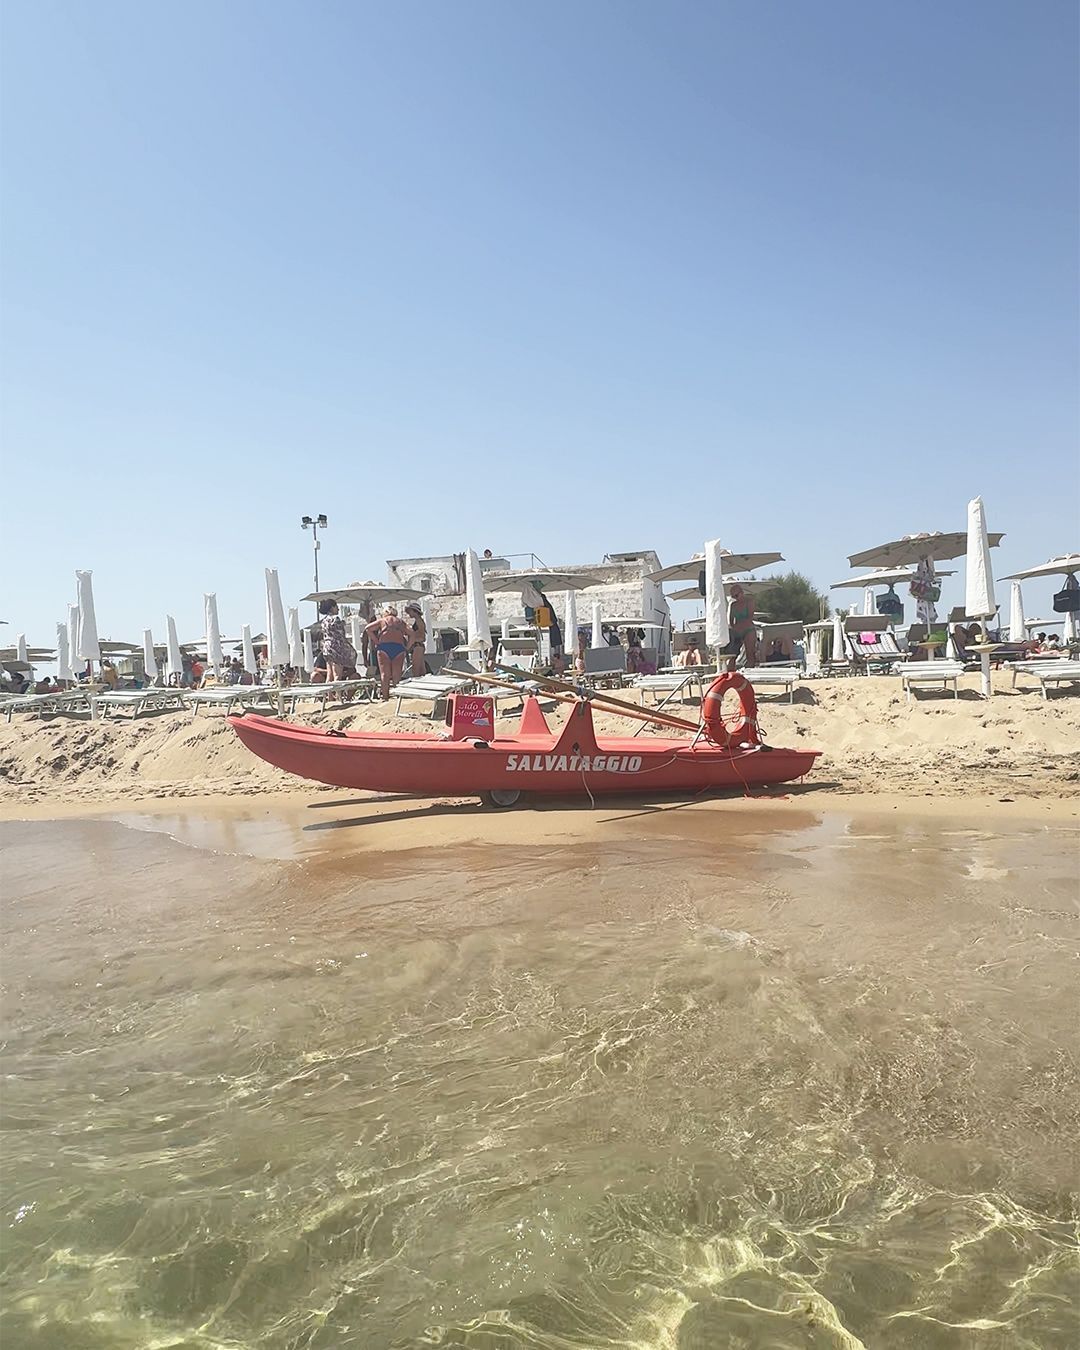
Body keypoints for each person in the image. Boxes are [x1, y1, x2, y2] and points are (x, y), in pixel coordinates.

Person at [366, 605, 411, 700]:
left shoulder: (382, 620)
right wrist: (407, 647)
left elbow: (368, 628)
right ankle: (397, 696)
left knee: (384, 675)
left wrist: (376, 641)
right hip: (398, 648)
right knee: (397, 675)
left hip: (384, 647)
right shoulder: (400, 622)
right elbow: (412, 634)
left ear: (385, 613)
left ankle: (385, 697)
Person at [724, 584, 758, 670]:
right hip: (737, 631)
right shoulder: (733, 605)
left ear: (742, 592)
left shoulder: (749, 601)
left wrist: (738, 626)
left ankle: (750, 673)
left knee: (750, 654)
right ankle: (731, 675)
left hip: (748, 630)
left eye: (736, 595)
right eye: (733, 596)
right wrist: (735, 629)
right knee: (732, 656)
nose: (735, 598)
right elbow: (731, 620)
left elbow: (749, 618)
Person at [318, 598, 352, 682]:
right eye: (336, 606)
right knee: (337, 675)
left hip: (327, 648)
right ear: (332, 607)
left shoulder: (324, 621)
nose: (338, 608)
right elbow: (341, 635)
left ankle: (329, 695)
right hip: (336, 648)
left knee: (329, 676)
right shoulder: (335, 619)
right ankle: (338, 695)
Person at [404, 602, 427, 678]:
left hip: (417, 646)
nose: (408, 613)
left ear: (414, 611)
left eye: (410, 611)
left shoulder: (419, 622)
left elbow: (422, 636)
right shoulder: (419, 621)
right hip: (418, 646)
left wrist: (411, 637)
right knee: (421, 670)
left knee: (416, 669)